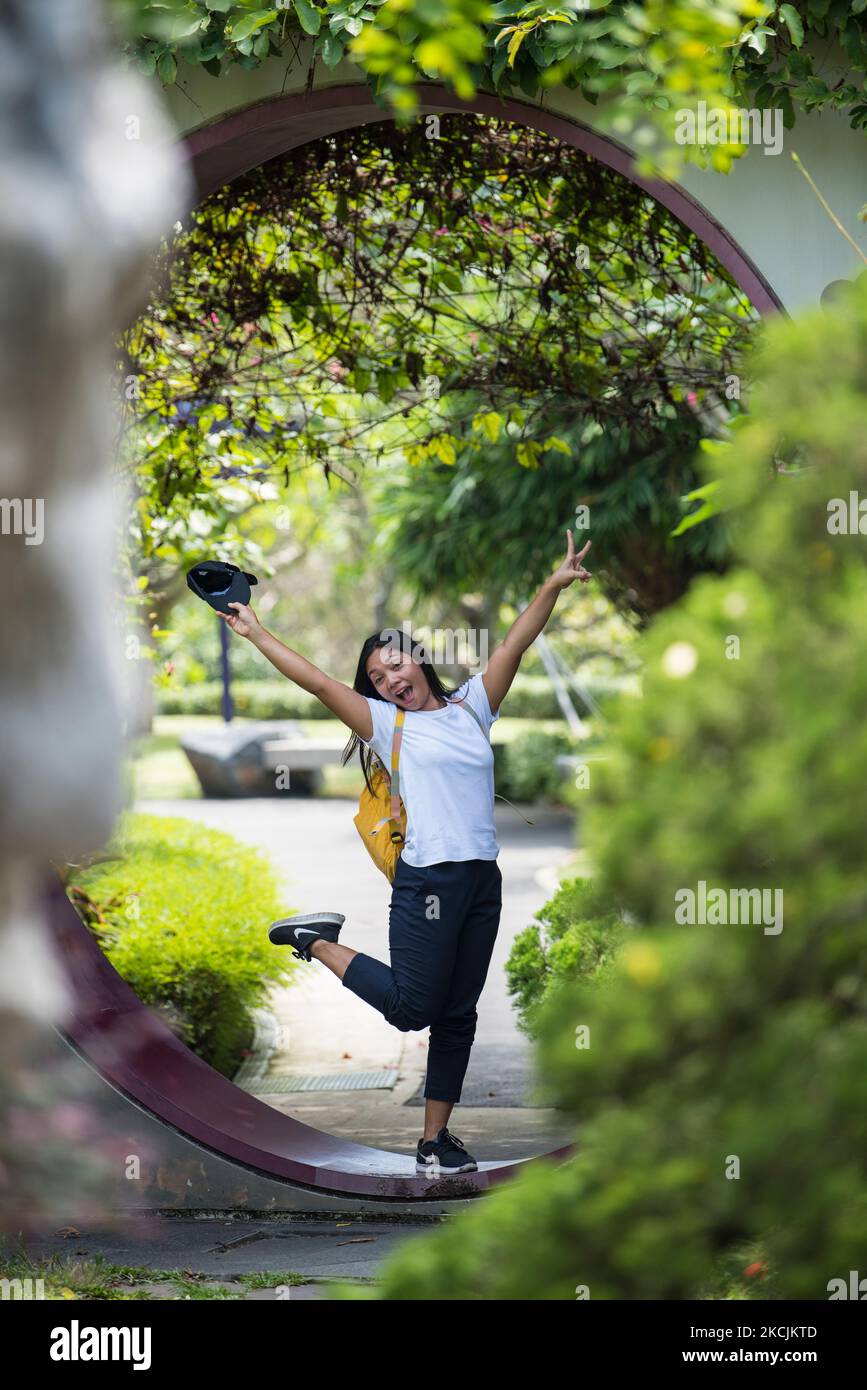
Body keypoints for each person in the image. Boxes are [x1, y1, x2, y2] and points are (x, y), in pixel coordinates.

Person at [218, 530, 592, 1174]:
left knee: (458, 1016)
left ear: (419, 660)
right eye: (377, 676)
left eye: (397, 665)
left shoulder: (474, 707)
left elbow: (513, 643)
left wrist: (552, 586)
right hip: (429, 885)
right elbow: (314, 681)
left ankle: (432, 1141)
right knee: (412, 1009)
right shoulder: (385, 723)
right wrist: (254, 632)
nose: (391, 679)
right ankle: (316, 940)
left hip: (481, 881)